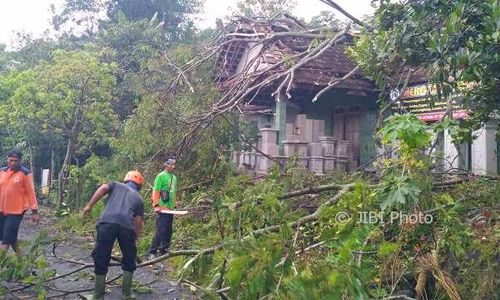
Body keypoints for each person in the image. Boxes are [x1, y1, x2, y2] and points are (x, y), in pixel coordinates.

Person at [82, 171, 145, 300]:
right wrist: (136, 237)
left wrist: (89, 205)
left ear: (126, 180)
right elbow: (138, 222)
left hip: (107, 223)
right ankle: (126, 294)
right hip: (126, 227)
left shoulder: (115, 185)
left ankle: (97, 295)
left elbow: (104, 188)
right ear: (139, 185)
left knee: (101, 255)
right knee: (129, 257)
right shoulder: (139, 199)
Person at [0, 149, 40, 256]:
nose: (13, 163)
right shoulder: (2, 172)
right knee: (9, 237)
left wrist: (34, 211)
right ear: (7, 160)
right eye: (11, 160)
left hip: (16, 211)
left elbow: (31, 193)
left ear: (20, 161)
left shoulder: (25, 173)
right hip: (2, 209)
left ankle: (1, 265)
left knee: (6, 240)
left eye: (16, 161)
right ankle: (21, 261)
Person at [148, 157, 178, 258]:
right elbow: (156, 191)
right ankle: (152, 251)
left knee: (169, 229)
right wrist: (156, 205)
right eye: (171, 164)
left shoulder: (174, 178)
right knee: (161, 229)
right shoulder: (160, 176)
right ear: (166, 165)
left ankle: (164, 249)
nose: (173, 166)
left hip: (170, 208)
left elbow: (174, 192)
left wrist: (175, 204)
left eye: (174, 164)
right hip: (162, 207)